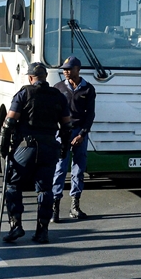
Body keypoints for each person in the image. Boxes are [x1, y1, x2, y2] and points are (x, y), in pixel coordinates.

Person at [0, 62, 71, 243]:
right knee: (45, 189)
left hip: (26, 148)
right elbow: (67, 126)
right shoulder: (58, 96)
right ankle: (42, 231)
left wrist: (3, 148)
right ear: (45, 77)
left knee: (14, 186)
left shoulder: (24, 93)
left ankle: (16, 226)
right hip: (49, 148)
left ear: (31, 78)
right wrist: (64, 148)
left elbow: (9, 123)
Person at [51, 56, 96, 221]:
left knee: (78, 169)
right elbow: (53, 113)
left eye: (69, 68)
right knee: (60, 168)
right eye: (64, 69)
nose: (66, 71)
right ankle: (54, 206)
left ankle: (75, 205)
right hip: (62, 132)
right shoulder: (58, 87)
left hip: (79, 132)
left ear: (78, 69)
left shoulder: (88, 89)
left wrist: (82, 135)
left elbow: (90, 115)